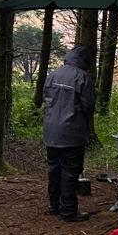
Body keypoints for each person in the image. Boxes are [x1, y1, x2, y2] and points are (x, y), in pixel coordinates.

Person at [42, 45, 95, 223]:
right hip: (72, 133)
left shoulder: (53, 74)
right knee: (70, 172)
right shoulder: (83, 77)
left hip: (51, 131)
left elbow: (46, 98)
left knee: (54, 170)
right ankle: (68, 211)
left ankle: (54, 205)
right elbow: (88, 106)